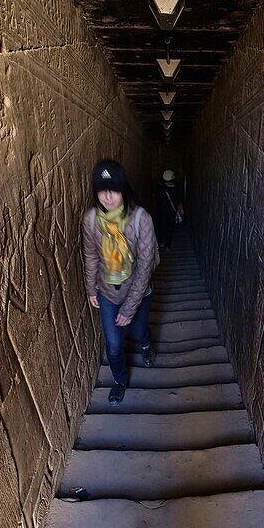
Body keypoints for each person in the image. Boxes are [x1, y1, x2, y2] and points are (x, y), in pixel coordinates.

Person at [83, 159, 158, 404]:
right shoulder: (92, 220)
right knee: (114, 345)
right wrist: (91, 287)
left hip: (138, 291)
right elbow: (92, 255)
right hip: (107, 290)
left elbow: (145, 266)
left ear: (123, 189)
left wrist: (128, 308)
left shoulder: (140, 219)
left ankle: (146, 344)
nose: (108, 196)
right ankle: (119, 381)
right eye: (102, 190)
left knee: (136, 331)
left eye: (113, 189)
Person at [155, 168, 185, 249]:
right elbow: (179, 200)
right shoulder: (176, 189)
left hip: (161, 212)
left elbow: (157, 200)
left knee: (161, 226)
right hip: (172, 212)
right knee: (169, 228)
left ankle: (161, 242)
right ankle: (168, 245)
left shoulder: (161, 189)